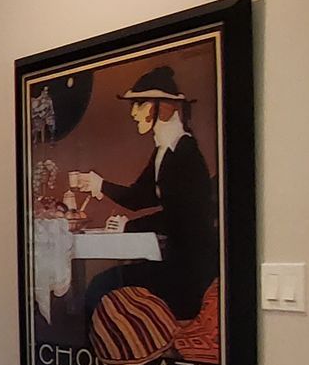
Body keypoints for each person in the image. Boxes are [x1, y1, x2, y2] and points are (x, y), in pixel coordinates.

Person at [69, 65, 219, 321]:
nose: (134, 113)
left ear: (159, 107)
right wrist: (99, 184)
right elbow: (139, 198)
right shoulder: (164, 151)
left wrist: (128, 227)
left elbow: (179, 218)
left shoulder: (184, 154)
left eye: (138, 104)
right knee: (102, 285)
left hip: (189, 271)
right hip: (179, 262)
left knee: (99, 287)